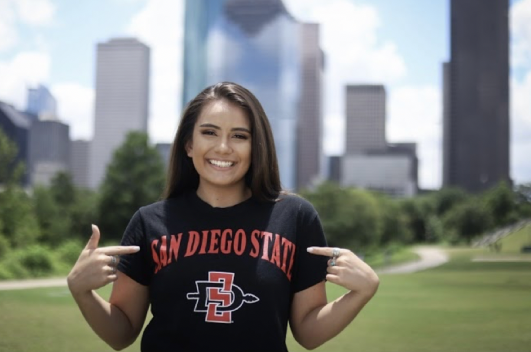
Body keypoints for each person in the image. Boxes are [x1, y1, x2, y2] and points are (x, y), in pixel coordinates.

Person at [67, 82, 380, 351]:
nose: (223, 147)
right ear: (189, 144)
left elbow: (308, 332)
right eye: (209, 132)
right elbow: (121, 333)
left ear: (257, 147)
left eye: (240, 136)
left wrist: (360, 293)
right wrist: (83, 291)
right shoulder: (149, 222)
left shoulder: (295, 217)